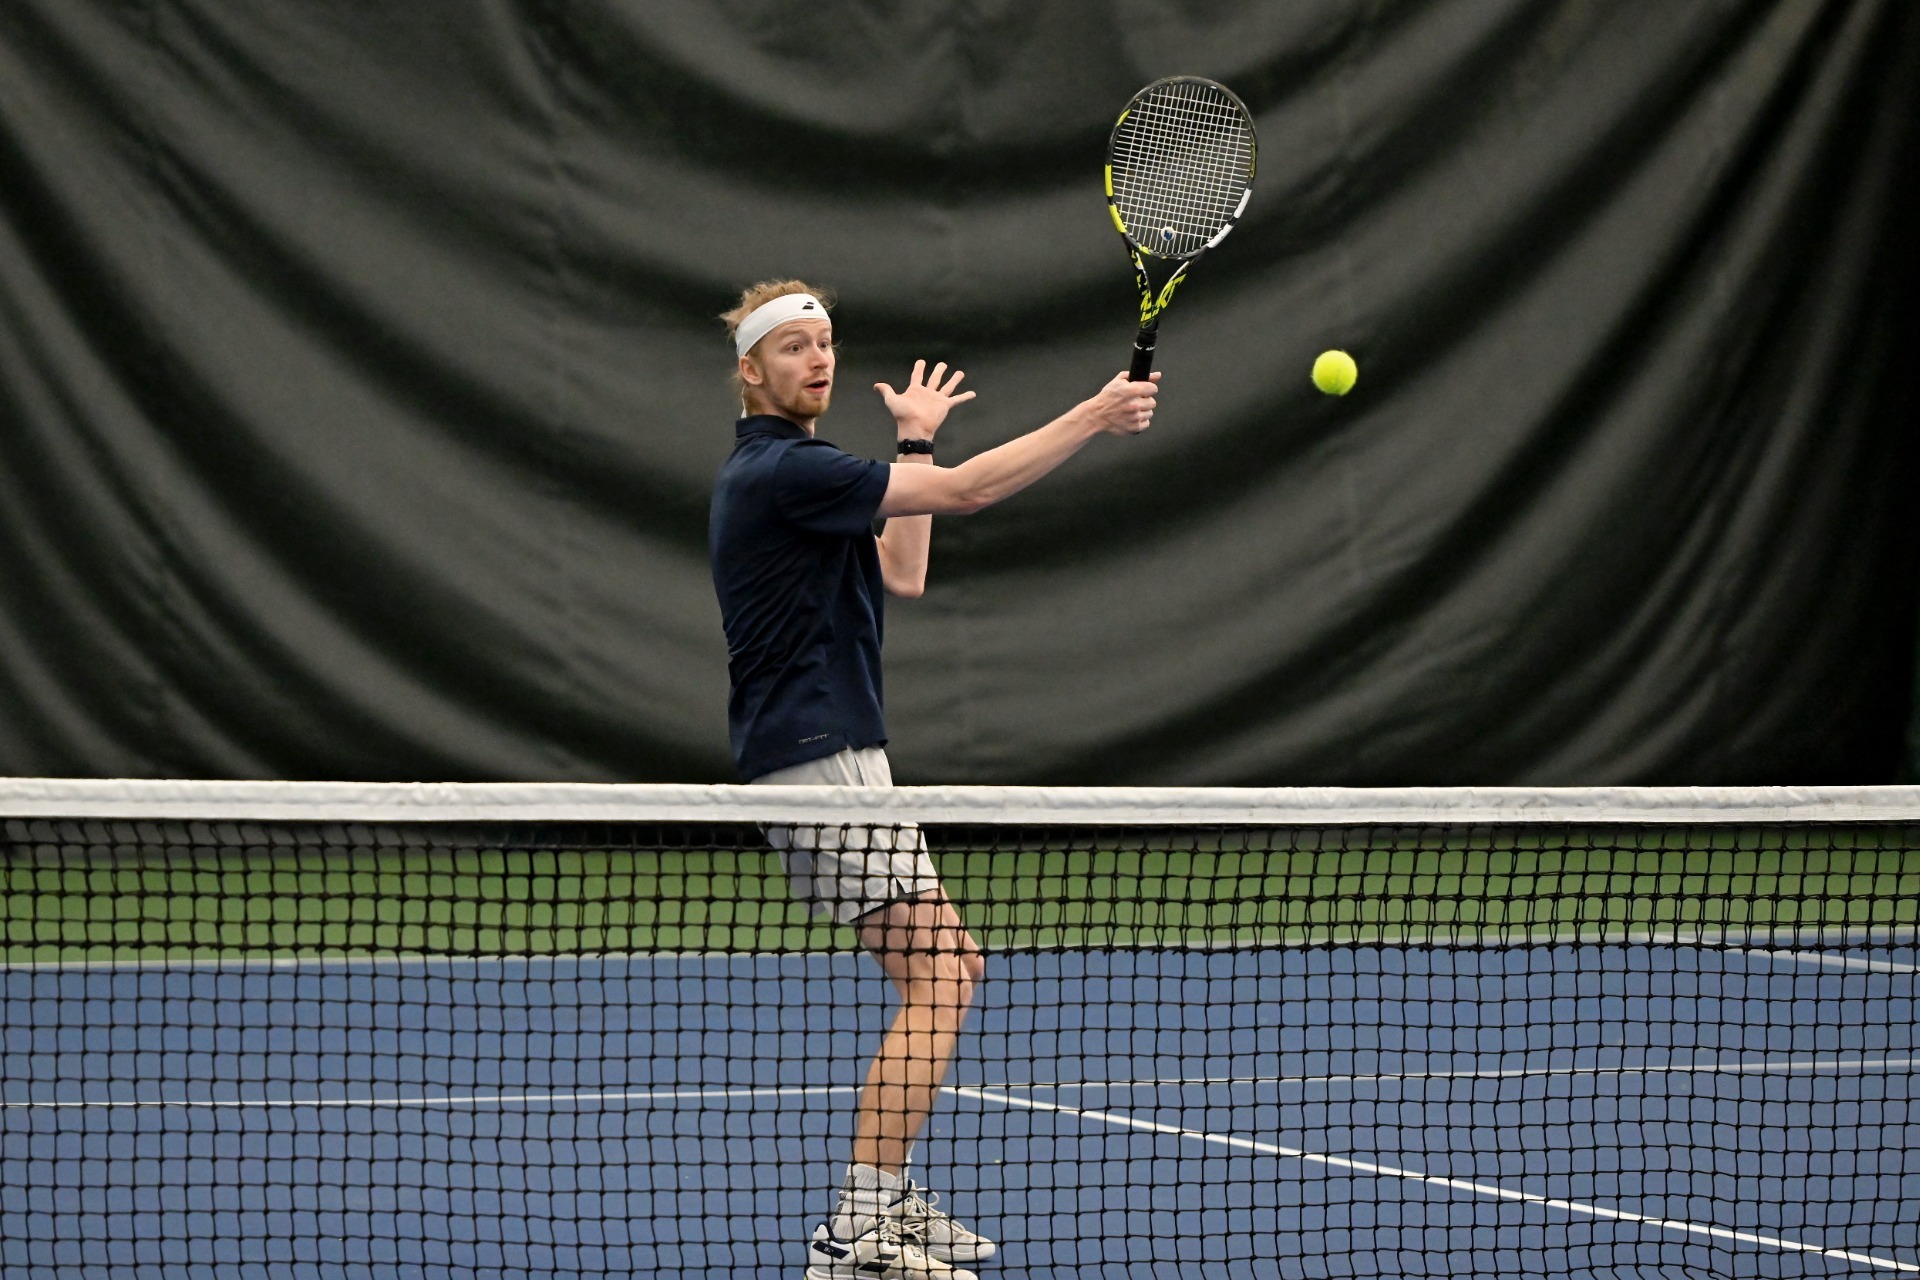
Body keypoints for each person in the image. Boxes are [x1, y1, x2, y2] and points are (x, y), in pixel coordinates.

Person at [707, 280, 1158, 1280]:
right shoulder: (785, 469)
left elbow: (902, 568)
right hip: (819, 761)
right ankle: (858, 1225)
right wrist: (1093, 410)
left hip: (839, 755)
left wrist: (913, 439)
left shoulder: (804, 477)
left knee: (957, 965)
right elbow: (969, 492)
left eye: (825, 342)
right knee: (941, 980)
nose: (817, 360)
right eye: (792, 348)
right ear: (751, 370)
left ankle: (887, 1199)